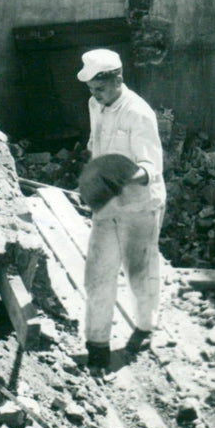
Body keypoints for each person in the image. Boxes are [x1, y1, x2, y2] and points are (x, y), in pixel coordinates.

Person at [76, 49, 167, 371]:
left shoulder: (138, 113)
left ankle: (145, 326)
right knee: (98, 275)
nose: (96, 96)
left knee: (139, 273)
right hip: (107, 206)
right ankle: (97, 345)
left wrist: (119, 179)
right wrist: (91, 186)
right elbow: (95, 148)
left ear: (117, 78)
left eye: (100, 89)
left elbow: (150, 168)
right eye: (91, 90)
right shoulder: (95, 104)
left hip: (140, 208)